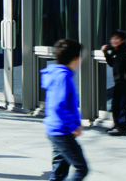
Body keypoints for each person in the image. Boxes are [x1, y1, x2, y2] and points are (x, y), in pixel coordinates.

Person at [43, 38, 88, 181]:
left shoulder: (56, 73)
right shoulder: (63, 76)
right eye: (80, 57)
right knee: (81, 168)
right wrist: (74, 125)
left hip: (55, 129)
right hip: (62, 131)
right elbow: (59, 106)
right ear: (75, 59)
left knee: (59, 171)